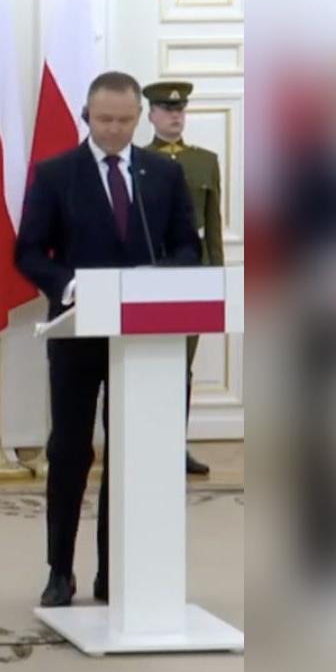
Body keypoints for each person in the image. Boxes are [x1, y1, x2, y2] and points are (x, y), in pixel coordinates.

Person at [15, 71, 202, 608]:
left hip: (143, 339)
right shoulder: (56, 174)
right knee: (70, 451)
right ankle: (60, 570)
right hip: (78, 333)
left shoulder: (163, 174)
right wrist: (70, 285)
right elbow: (29, 251)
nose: (115, 130)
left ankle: (112, 571)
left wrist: (158, 278)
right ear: (86, 115)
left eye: (124, 120)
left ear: (139, 117)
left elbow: (187, 247)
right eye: (104, 120)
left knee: (131, 455)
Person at [142, 80, 223, 476]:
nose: (175, 116)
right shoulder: (138, 160)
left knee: (181, 364)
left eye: (180, 110)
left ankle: (176, 445)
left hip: (194, 276)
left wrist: (217, 276)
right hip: (150, 273)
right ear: (151, 115)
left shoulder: (205, 161)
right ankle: (145, 444)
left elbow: (213, 221)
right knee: (146, 362)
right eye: (167, 109)